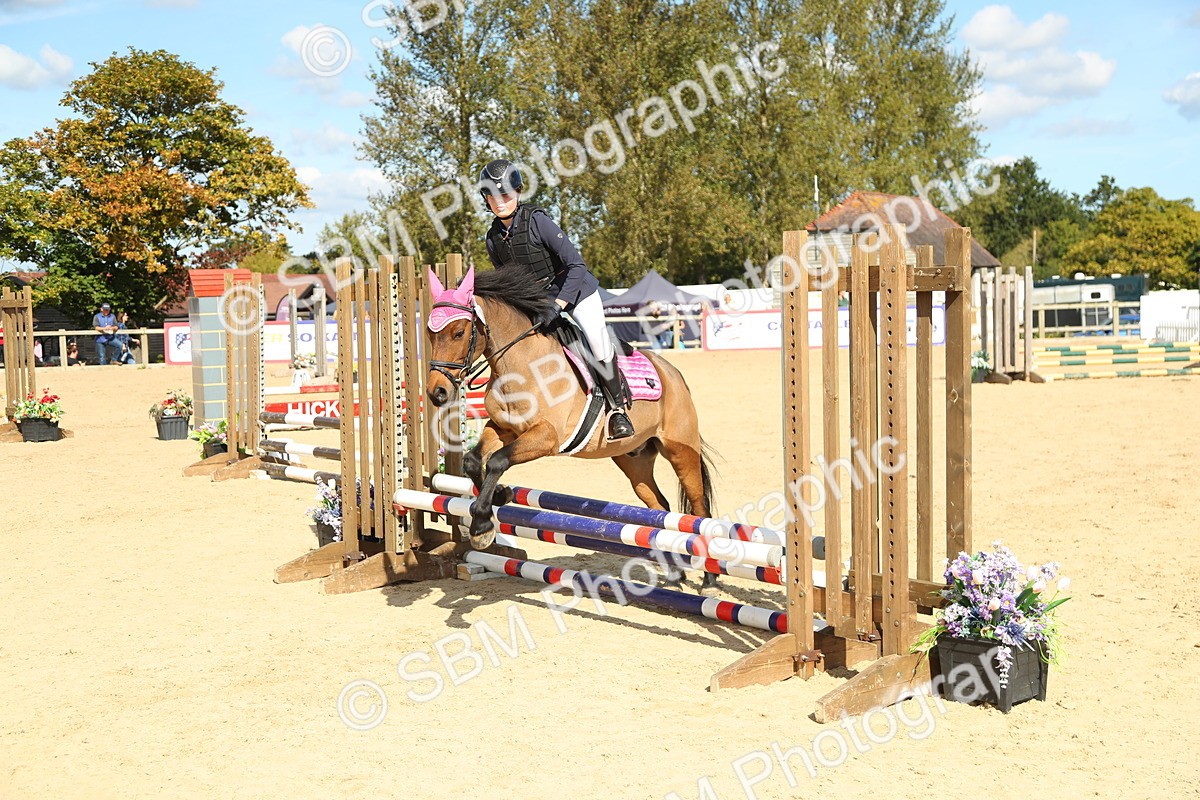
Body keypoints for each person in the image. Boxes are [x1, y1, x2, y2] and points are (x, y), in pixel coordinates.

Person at [478, 159, 634, 440]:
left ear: (518, 192)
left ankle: (618, 411)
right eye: (491, 196)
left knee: (597, 344)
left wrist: (558, 305)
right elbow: (509, 284)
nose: (498, 202)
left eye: (504, 195)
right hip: (539, 301)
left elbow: (576, 265)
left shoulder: (539, 221)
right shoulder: (493, 238)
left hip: (575, 291)